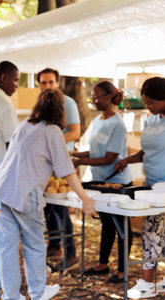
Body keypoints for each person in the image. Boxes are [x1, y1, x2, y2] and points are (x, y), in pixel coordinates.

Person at [0, 88, 96, 300]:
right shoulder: (52, 131)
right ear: (60, 110)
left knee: (7, 248)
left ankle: (11, 296)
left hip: (1, 190)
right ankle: (38, 293)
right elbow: (67, 170)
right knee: (35, 245)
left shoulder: (23, 125)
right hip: (25, 193)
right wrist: (85, 198)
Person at [114, 77, 165, 298]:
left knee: (151, 231)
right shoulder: (151, 120)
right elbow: (147, 151)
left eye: (151, 102)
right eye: (145, 102)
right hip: (152, 187)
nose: (148, 107)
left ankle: (147, 283)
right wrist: (128, 160)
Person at [71, 81, 132, 283]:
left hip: (117, 182)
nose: (94, 100)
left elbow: (110, 158)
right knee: (107, 223)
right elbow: (95, 152)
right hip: (99, 181)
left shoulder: (118, 124)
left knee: (122, 225)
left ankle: (123, 270)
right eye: (92, 97)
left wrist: (80, 161)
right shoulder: (97, 120)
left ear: (110, 96)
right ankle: (103, 264)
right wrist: (74, 154)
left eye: (97, 96)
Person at [37, 68, 81, 269]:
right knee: (48, 206)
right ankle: (54, 245)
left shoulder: (68, 102)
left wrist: (53, 141)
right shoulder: (41, 104)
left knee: (61, 209)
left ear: (58, 82)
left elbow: (75, 132)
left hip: (64, 161)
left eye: (50, 82)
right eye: (43, 83)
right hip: (46, 162)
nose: (47, 86)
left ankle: (70, 252)